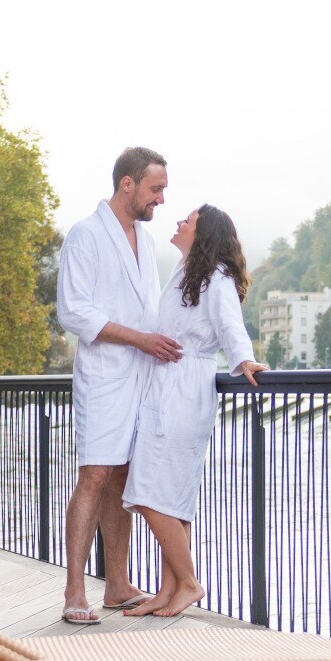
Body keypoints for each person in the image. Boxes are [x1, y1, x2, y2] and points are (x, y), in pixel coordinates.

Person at [53, 147, 181, 624]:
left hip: (142, 377)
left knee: (124, 477)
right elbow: (74, 311)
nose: (161, 199)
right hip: (105, 377)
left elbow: (151, 310)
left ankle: (117, 584)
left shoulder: (145, 243)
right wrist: (140, 340)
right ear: (127, 184)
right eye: (155, 188)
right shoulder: (86, 236)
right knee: (94, 476)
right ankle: (73, 591)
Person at [124, 205, 266, 617]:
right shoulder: (186, 271)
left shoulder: (215, 276)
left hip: (185, 390)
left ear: (202, 233)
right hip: (169, 385)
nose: (179, 223)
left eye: (188, 220)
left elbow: (229, 324)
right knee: (171, 494)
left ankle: (188, 582)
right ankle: (168, 590)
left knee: (149, 491)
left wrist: (245, 361)